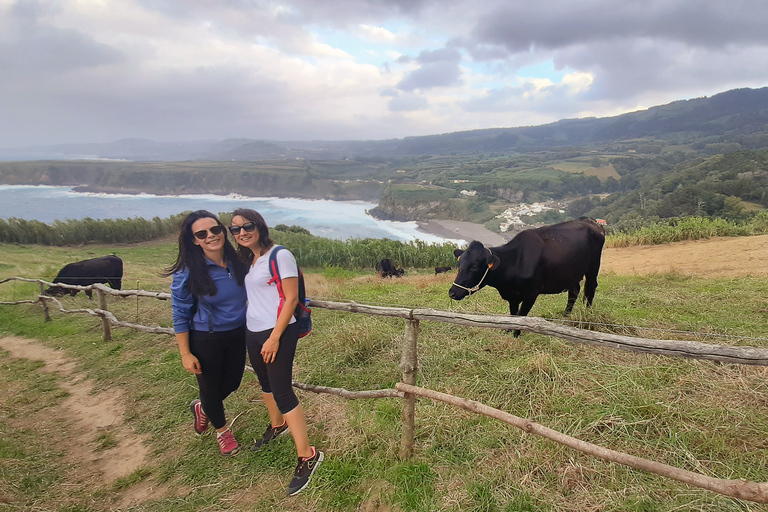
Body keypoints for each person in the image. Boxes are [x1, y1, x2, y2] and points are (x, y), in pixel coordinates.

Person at [229, 208, 323, 496]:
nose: (242, 232)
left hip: (277, 331)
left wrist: (275, 337)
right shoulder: (251, 259)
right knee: (265, 383)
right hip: (254, 330)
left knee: (282, 390)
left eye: (247, 226)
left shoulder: (279, 254)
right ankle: (277, 424)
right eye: (235, 229)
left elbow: (291, 297)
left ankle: (308, 455)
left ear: (260, 226)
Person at [164, 210, 248, 456]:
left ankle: (203, 407)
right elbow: (180, 314)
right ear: (194, 240)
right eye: (202, 234)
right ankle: (222, 432)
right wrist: (185, 353)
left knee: (233, 382)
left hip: (237, 332)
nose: (211, 236)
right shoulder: (188, 272)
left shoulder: (238, 262)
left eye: (215, 230)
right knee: (210, 387)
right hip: (206, 337)